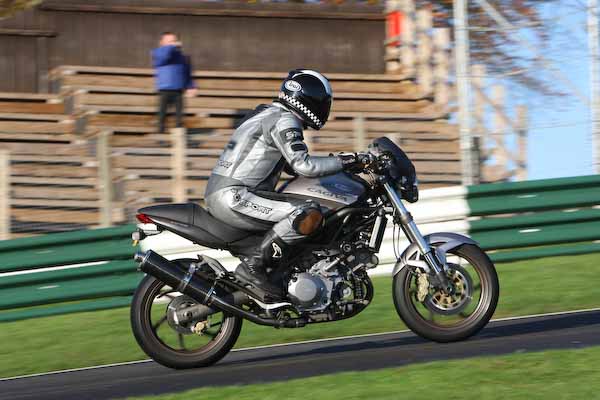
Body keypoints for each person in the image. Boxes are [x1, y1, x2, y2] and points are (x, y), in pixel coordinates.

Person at [205, 69, 367, 299]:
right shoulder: (284, 119)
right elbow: (303, 165)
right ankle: (254, 266)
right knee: (307, 212)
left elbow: (291, 166)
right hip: (236, 196)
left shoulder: (267, 114)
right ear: (308, 98)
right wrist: (350, 159)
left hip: (228, 194)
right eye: (323, 102)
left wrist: (336, 164)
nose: (325, 107)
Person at [151, 32, 197, 133]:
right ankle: (160, 134)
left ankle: (178, 135)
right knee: (162, 115)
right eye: (169, 42)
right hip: (164, 90)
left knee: (179, 116)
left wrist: (191, 86)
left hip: (178, 90)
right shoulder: (158, 53)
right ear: (161, 43)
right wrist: (171, 47)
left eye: (174, 41)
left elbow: (187, 73)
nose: (172, 43)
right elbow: (164, 57)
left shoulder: (182, 57)